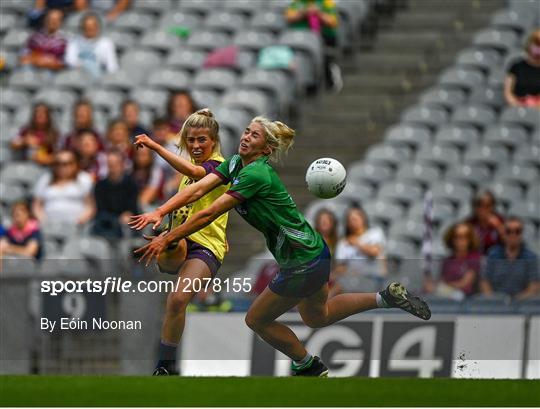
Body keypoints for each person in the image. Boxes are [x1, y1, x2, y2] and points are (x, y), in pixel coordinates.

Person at [130, 116, 431, 377]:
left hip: (301, 260)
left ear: (267, 150)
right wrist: (160, 212)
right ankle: (384, 298)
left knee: (256, 319)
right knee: (318, 316)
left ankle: (307, 364)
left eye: (254, 135)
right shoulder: (236, 163)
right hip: (314, 251)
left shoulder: (255, 174)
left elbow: (210, 212)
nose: (246, 136)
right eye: (246, 131)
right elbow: (198, 188)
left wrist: (167, 237)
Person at [130, 109, 230, 376]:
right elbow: (183, 210)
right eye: (191, 141)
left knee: (177, 299)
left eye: (202, 140)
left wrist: (154, 145)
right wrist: (166, 233)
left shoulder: (219, 167)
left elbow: (194, 170)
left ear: (214, 142)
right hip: (181, 238)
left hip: (207, 246)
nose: (196, 146)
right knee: (174, 291)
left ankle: (165, 365)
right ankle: (168, 244)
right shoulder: (186, 175)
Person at [285, 0, 342, 92]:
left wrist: (319, 13)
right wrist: (304, 12)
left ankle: (329, 79)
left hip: (323, 37)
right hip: (300, 39)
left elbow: (333, 22)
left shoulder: (326, 3)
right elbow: (289, 17)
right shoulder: (297, 3)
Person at [331, 206, 386, 296]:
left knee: (341, 286)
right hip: (350, 277)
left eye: (355, 218)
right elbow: (340, 267)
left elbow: (374, 252)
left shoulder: (375, 233)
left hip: (373, 277)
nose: (353, 222)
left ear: (363, 218)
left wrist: (356, 243)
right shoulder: (343, 242)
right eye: (350, 219)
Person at [481, 217, 540, 300]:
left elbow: (534, 285)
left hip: (523, 305)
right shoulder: (492, 255)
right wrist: (493, 299)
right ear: (503, 233)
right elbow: (485, 282)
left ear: (522, 234)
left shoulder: (531, 257)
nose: (513, 235)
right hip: (496, 305)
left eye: (517, 231)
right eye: (508, 231)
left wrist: (516, 301)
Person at [32, 150, 95, 226]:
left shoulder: (84, 178)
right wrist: (43, 221)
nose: (62, 167)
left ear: (75, 164)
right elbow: (37, 205)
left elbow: (90, 206)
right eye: (58, 163)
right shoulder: (46, 178)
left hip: (77, 226)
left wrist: (80, 221)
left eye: (67, 163)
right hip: (49, 226)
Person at [424, 222, 481, 299]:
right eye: (457, 237)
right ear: (452, 239)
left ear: (470, 239)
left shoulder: (474, 257)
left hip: (467, 300)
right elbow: (442, 280)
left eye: (466, 236)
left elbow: (466, 284)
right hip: (447, 297)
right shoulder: (448, 261)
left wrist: (438, 287)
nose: (461, 240)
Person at [91, 150, 138, 239]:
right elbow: (100, 208)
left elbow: (132, 207)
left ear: (122, 165)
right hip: (105, 220)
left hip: (126, 222)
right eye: (110, 164)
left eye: (115, 164)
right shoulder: (100, 185)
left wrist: (128, 214)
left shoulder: (131, 183)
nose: (112, 167)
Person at [65, 12, 118, 79]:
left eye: (93, 27)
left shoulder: (106, 43)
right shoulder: (74, 42)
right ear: (82, 28)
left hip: (100, 77)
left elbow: (112, 66)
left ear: (98, 28)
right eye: (87, 28)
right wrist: (85, 66)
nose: (90, 30)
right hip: (78, 76)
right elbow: (69, 61)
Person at [504, 29, 540, 108]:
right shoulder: (516, 66)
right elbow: (508, 92)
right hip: (517, 107)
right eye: (536, 44)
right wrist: (517, 105)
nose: (538, 48)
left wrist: (535, 106)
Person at [466, 190, 505, 255]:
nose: (483, 209)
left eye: (487, 205)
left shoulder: (500, 221)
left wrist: (499, 227)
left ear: (493, 207)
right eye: (479, 205)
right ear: (474, 207)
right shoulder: (469, 223)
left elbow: (510, 244)